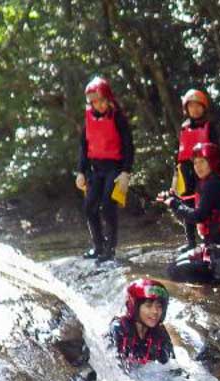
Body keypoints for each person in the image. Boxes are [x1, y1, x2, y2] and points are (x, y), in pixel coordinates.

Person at [160, 142, 220, 283]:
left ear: (213, 162)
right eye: (195, 163)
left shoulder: (214, 184)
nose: (198, 167)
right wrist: (175, 200)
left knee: (174, 271)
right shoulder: (213, 180)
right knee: (175, 264)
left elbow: (198, 216)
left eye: (202, 162)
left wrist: (174, 204)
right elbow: (197, 209)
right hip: (217, 250)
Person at [76, 76, 134, 263]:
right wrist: (81, 171)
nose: (99, 105)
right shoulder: (88, 119)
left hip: (114, 168)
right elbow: (84, 147)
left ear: (108, 98)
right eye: (94, 102)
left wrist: (126, 171)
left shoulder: (118, 117)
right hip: (96, 168)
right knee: (89, 207)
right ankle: (98, 246)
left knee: (108, 205)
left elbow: (128, 145)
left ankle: (110, 248)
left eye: (101, 101)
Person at [173, 89, 220, 250]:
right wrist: (175, 173)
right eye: (191, 106)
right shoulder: (183, 127)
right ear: (186, 109)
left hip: (205, 170)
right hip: (186, 170)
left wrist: (216, 171)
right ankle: (191, 242)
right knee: (187, 203)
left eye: (198, 106)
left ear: (204, 107)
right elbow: (179, 150)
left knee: (206, 203)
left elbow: (216, 150)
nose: (195, 109)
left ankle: (211, 238)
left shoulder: (209, 126)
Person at [110, 278, 175, 365]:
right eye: (148, 306)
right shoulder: (119, 329)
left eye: (159, 306)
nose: (155, 311)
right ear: (134, 307)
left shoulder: (160, 334)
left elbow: (170, 367)